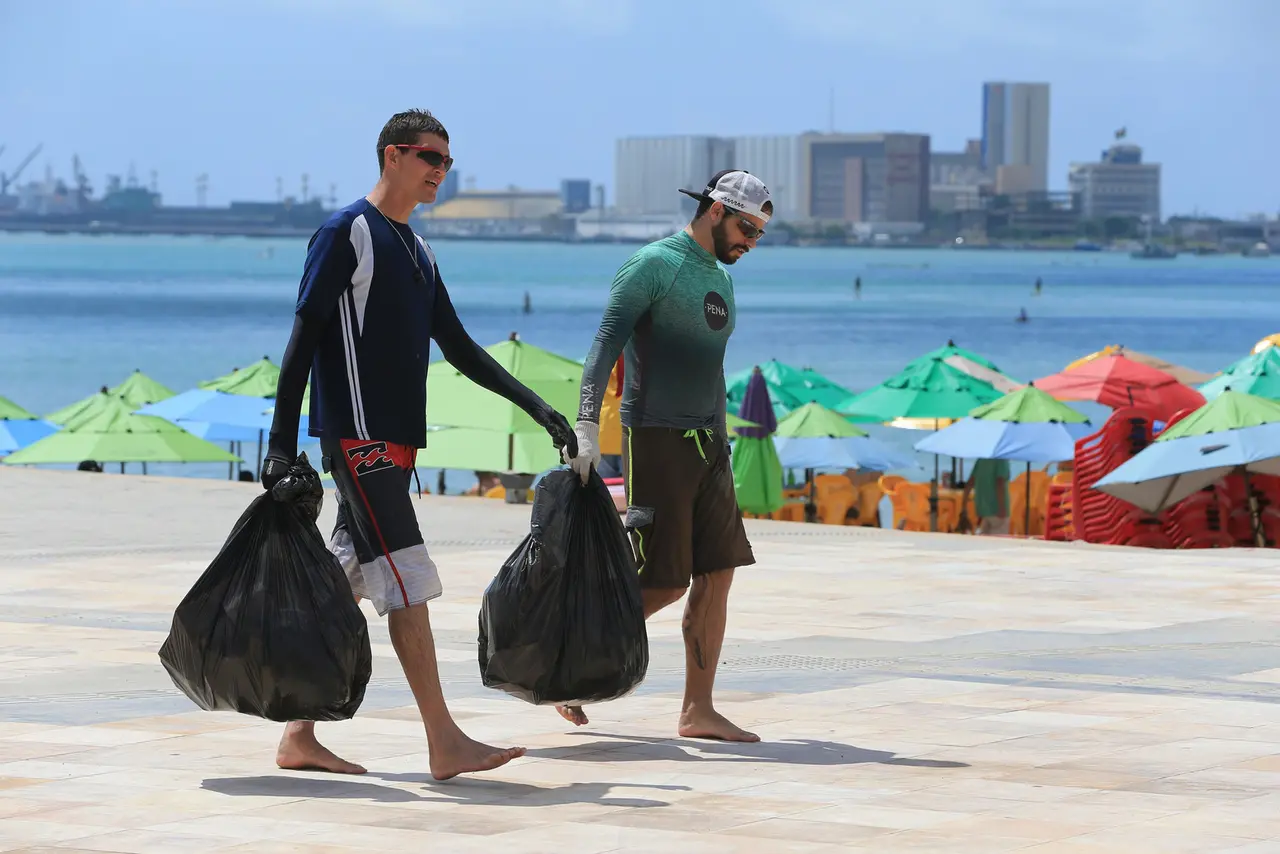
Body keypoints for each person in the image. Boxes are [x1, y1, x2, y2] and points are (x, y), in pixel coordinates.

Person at [260, 108, 575, 780]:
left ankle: (298, 734)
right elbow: (303, 339)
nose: (439, 171)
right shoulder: (348, 232)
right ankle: (444, 740)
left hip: (396, 446)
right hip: (359, 438)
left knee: (347, 583)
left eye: (447, 163)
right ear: (392, 156)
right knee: (408, 581)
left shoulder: (418, 251)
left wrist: (538, 407)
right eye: (429, 157)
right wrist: (281, 444)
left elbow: (457, 346)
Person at [562, 169, 771, 743]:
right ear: (715, 210)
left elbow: (711, 368)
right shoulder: (654, 265)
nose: (751, 242)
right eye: (747, 227)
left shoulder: (720, 280)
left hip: (710, 444)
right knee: (663, 582)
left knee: (719, 572)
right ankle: (570, 667)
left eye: (759, 233)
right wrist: (584, 426)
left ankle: (696, 709)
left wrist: (720, 439)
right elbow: (603, 347)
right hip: (654, 437)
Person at [963, 458, 1011, 535]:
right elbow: (1000, 482)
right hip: (997, 510)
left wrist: (964, 507)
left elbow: (970, 483)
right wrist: (1002, 507)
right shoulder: (1002, 460)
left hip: (983, 510)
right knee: (999, 543)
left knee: (985, 542)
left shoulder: (981, 460)